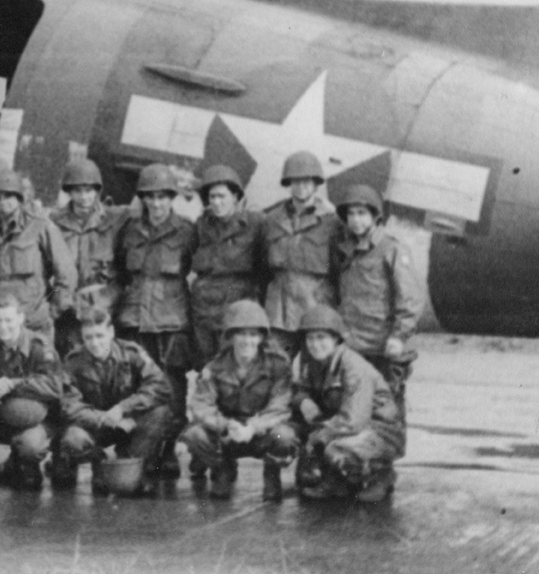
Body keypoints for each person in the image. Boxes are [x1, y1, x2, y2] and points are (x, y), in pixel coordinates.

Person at [113, 162, 197, 479]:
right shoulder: (130, 231)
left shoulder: (186, 231)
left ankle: (168, 451)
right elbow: (122, 271)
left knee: (173, 387)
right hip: (134, 319)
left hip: (170, 321)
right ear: (143, 198)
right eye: (150, 197)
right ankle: (140, 449)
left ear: (171, 197)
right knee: (136, 384)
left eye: (163, 196)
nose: (156, 203)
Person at [177, 300, 295, 501]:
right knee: (194, 434)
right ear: (231, 337)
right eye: (241, 334)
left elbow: (280, 407)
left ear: (261, 338)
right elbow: (201, 405)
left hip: (261, 434)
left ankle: (271, 474)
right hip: (227, 435)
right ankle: (223, 468)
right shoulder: (215, 367)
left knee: (283, 436)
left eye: (253, 334)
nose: (247, 341)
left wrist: (253, 427)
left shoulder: (278, 365)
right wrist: (225, 424)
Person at [286, 305, 403, 502]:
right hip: (347, 426)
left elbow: (354, 419)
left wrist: (320, 435)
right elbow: (300, 389)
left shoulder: (353, 367)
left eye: (321, 337)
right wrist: (303, 400)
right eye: (310, 338)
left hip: (380, 431)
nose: (315, 344)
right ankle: (338, 481)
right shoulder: (315, 362)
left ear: (336, 339)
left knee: (335, 449)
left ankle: (381, 476)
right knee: (298, 437)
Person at [331, 184, 425, 423]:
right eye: (350, 214)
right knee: (357, 406)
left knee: (387, 409)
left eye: (362, 213)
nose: (355, 220)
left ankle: (384, 457)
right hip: (356, 346)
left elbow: (410, 297)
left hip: (384, 346)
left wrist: (398, 336)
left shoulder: (391, 248)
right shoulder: (346, 250)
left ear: (375, 216)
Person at [56, 307, 173, 495]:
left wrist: (123, 408)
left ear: (111, 332)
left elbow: (159, 386)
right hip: (95, 426)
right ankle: (99, 464)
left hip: (129, 423)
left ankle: (132, 463)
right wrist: (104, 418)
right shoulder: (73, 362)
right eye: (88, 338)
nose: (95, 343)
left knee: (160, 414)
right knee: (73, 439)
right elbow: (70, 405)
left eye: (100, 335)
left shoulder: (132, 353)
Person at [0, 293, 66, 491]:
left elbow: (54, 386)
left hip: (35, 418)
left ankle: (24, 464)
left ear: (20, 318)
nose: (3, 326)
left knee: (30, 446)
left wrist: (12, 385)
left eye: (9, 320)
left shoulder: (40, 346)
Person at [0, 169, 77, 345]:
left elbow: (66, 274)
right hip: (1, 327)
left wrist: (51, 311)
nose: (3, 203)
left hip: (34, 325)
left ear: (19, 198)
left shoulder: (40, 227)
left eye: (8, 196)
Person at [262, 151, 341, 357]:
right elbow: (262, 265)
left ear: (316, 184)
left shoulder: (331, 222)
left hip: (315, 308)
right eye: (295, 182)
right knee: (275, 369)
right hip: (279, 312)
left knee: (316, 371)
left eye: (307, 181)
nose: (301, 187)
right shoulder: (272, 220)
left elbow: (338, 268)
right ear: (288, 184)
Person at [49, 158, 129, 358]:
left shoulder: (116, 219)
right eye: (77, 191)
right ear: (69, 192)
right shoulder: (54, 222)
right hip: (66, 309)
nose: (84, 197)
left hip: (102, 307)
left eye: (88, 190)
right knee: (67, 360)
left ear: (97, 191)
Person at [189, 165, 269, 362]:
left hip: (236, 311)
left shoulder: (255, 224)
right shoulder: (201, 226)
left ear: (235, 196)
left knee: (235, 366)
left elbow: (266, 268)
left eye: (222, 196)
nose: (216, 202)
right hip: (204, 313)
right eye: (212, 197)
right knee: (207, 367)